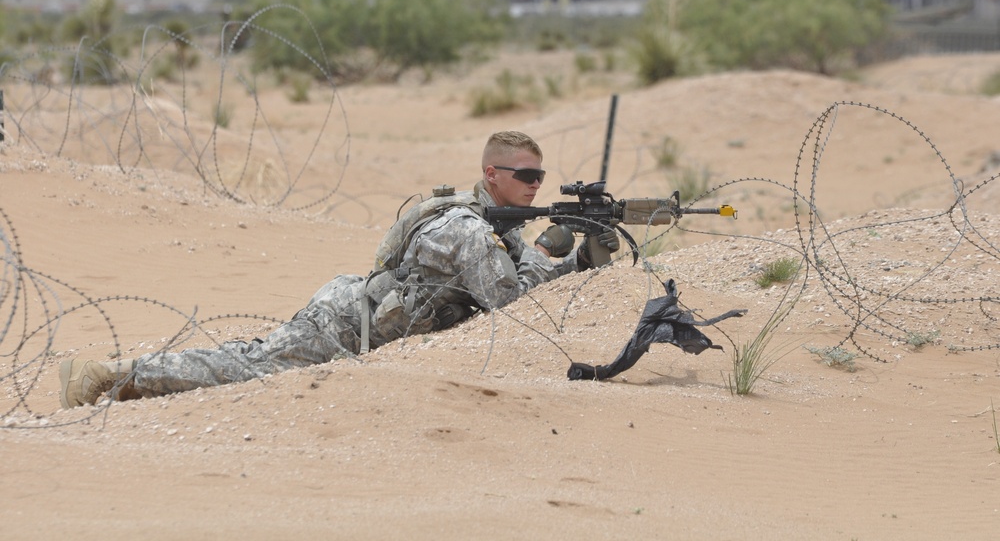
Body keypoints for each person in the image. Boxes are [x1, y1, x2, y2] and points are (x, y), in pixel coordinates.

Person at [59, 131, 620, 408]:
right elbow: (509, 304)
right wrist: (556, 260)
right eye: (527, 177)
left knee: (249, 360)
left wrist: (576, 260)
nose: (536, 187)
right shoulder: (468, 231)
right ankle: (109, 375)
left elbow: (515, 278)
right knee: (246, 366)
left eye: (541, 178)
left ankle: (122, 374)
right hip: (348, 325)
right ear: (492, 174)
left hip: (365, 319)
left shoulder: (499, 229)